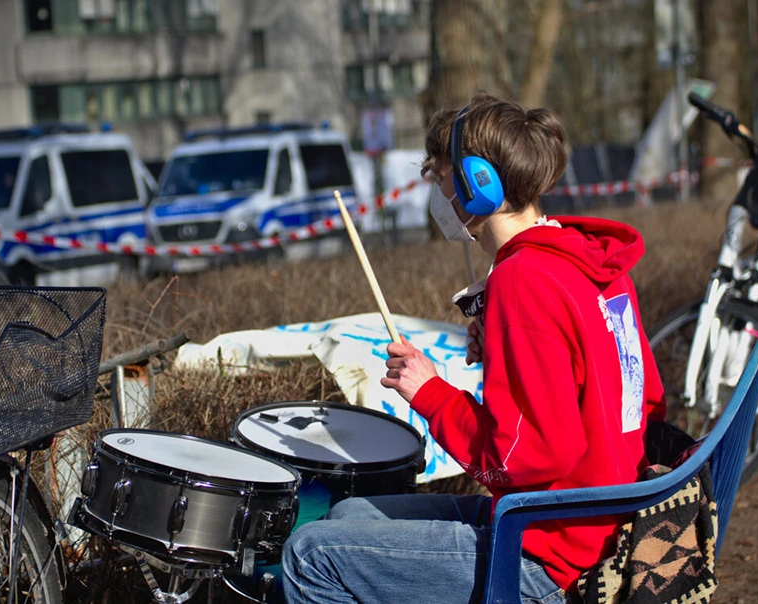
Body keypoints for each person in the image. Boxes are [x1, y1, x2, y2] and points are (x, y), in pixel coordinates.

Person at [279, 92, 666, 603]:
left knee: (310, 555)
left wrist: (432, 394)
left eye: (440, 178)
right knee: (350, 516)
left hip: (550, 557)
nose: (437, 194)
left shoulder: (523, 279)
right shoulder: (593, 265)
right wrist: (512, 349)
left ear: (477, 184)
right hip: (599, 519)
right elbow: (644, 398)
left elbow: (527, 455)